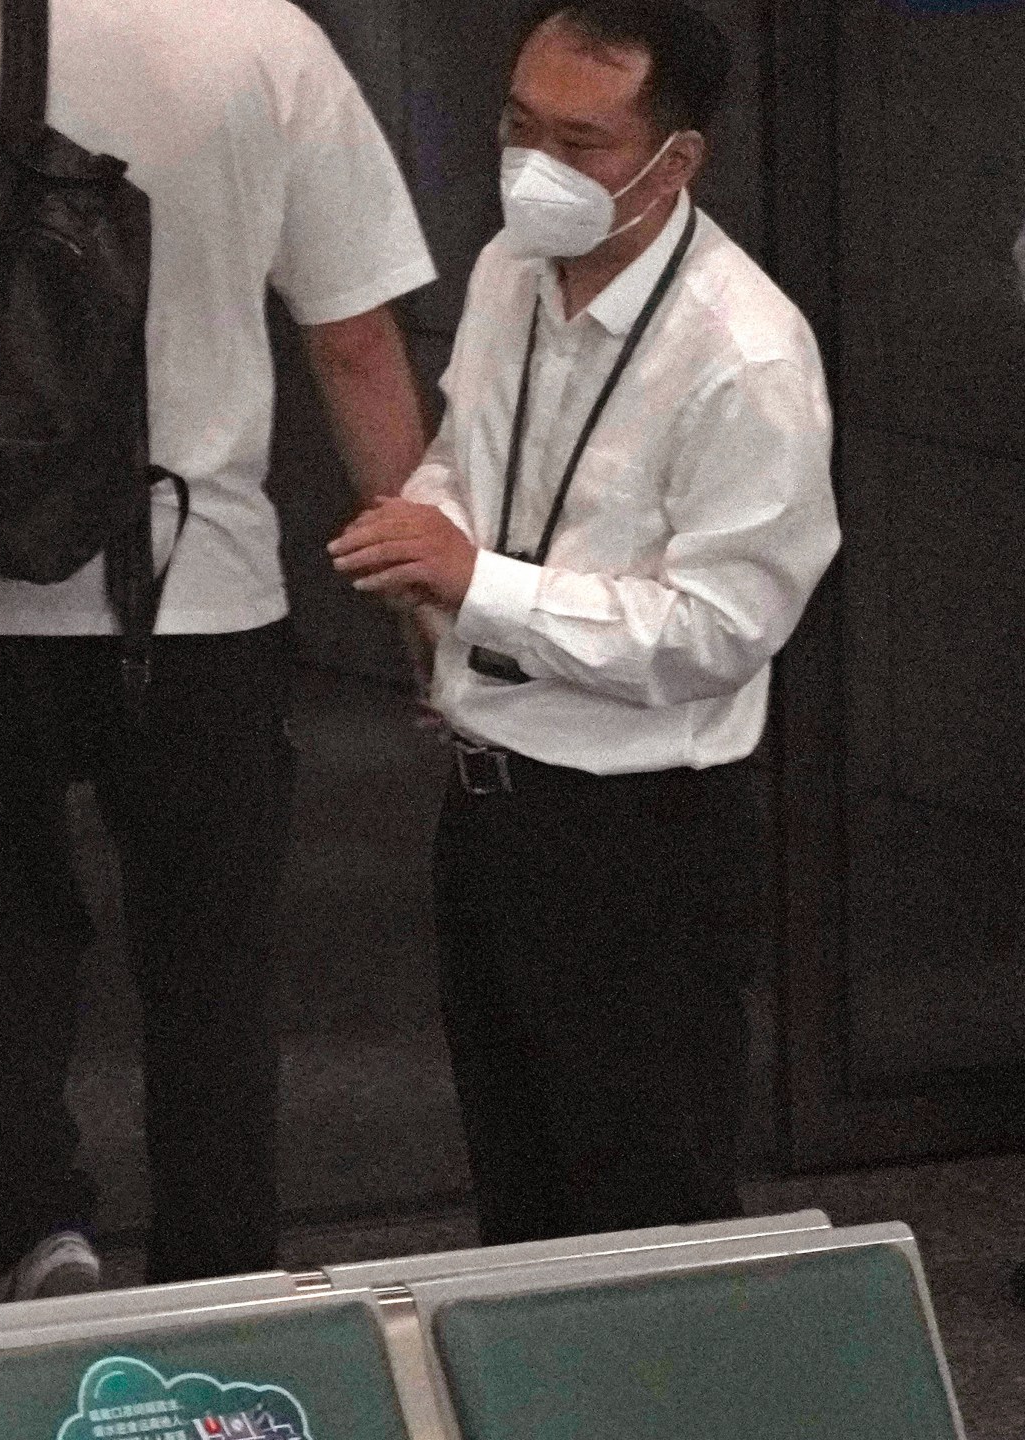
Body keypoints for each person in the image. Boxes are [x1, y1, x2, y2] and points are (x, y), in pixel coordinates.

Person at [0, 0, 439, 1295]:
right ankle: (221, 1283)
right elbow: (357, 342)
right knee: (213, 974)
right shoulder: (273, 46)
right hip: (199, 589)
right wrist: (426, 608)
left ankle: (40, 1231)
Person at [329, 0, 838, 1245]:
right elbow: (473, 457)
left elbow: (719, 629)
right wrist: (426, 540)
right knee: (519, 1191)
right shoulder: (512, 267)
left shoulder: (746, 354)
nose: (536, 167)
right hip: (488, 791)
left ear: (676, 160)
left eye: (582, 140)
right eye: (518, 126)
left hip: (640, 833)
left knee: (646, 1204)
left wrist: (478, 585)